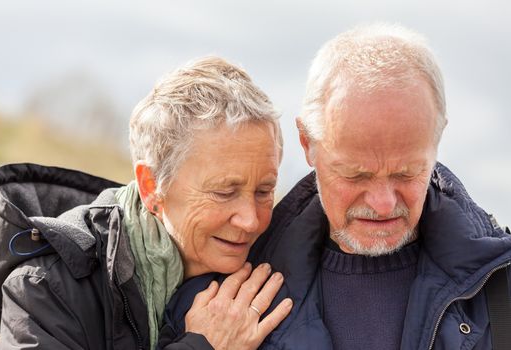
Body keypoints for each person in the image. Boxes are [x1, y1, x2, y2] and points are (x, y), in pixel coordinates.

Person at [162, 24, 511, 349]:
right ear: (307, 143)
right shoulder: (212, 306)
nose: (384, 204)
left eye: (406, 174)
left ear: (438, 138)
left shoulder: (500, 287)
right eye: (356, 175)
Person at [0, 56, 293, 350]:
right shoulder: (44, 288)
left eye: (264, 191)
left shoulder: (283, 265)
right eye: (225, 193)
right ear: (151, 186)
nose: (251, 220)